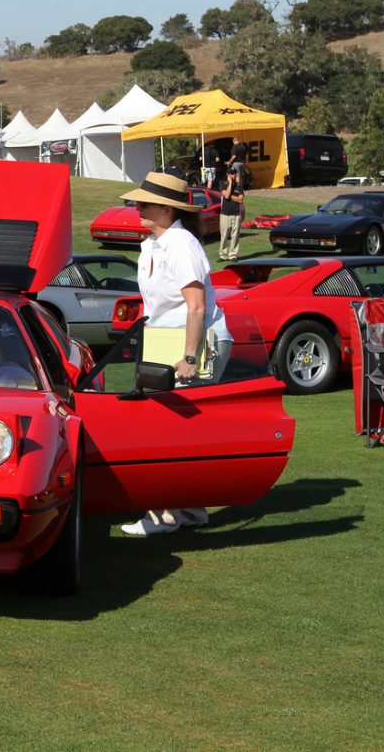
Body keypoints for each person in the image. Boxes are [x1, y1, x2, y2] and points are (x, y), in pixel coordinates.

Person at [119, 171, 233, 537]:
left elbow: (196, 307)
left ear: (166, 211)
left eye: (145, 202)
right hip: (165, 341)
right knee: (177, 431)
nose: (137, 205)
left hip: (191, 344)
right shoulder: (153, 244)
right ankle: (190, 512)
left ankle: (165, 517)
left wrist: (188, 355)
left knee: (165, 431)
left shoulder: (181, 244)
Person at [219, 143, 247, 262]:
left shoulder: (239, 187)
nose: (232, 175)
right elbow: (225, 195)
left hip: (235, 214)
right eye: (231, 174)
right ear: (227, 175)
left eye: (234, 174)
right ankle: (223, 255)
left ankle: (233, 255)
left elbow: (240, 199)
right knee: (224, 235)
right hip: (225, 213)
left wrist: (230, 196)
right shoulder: (222, 184)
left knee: (235, 235)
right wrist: (230, 186)